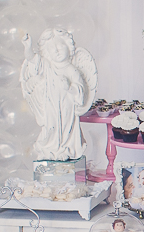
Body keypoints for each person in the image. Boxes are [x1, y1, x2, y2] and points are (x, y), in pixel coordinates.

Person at [20, 28, 98, 161]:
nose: (56, 50)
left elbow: (79, 90)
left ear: (68, 46)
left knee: (66, 129)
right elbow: (32, 59)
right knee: (51, 127)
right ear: (47, 53)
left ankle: (65, 149)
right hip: (50, 105)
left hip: (67, 107)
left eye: (60, 46)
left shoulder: (71, 70)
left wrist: (69, 87)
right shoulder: (46, 65)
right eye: (52, 48)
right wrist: (28, 47)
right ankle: (50, 150)